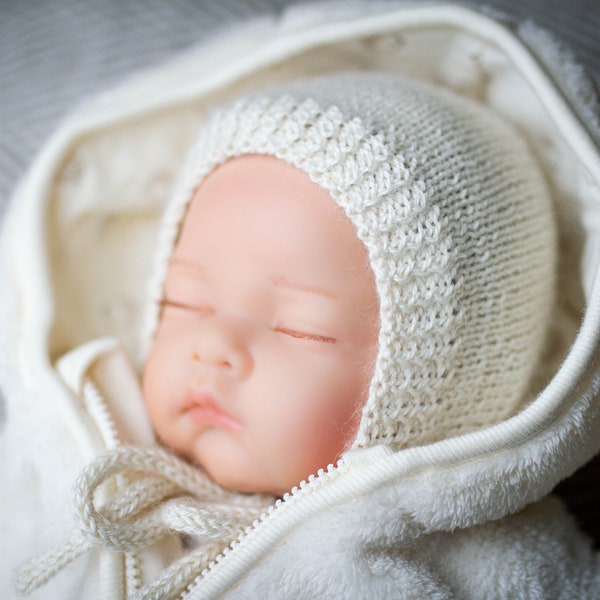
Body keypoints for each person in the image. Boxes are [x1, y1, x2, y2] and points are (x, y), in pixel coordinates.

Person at [2, 5, 600, 599]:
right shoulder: (63, 458)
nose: (213, 346)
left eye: (301, 330)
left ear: (439, 399)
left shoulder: (489, 569)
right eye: (184, 302)